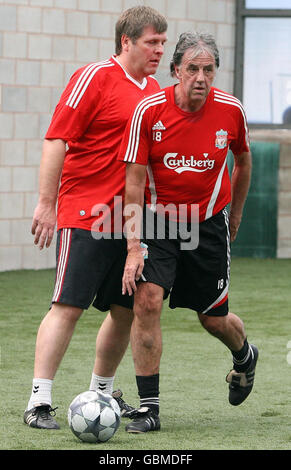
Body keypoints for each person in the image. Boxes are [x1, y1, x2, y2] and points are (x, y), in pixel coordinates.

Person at [23, 6, 168, 430]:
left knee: (124, 308)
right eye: (151, 42)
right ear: (126, 41)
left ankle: (101, 393)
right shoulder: (94, 78)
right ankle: (39, 400)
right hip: (84, 211)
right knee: (68, 305)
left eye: (162, 42)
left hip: (127, 222)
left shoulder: (154, 90)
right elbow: (56, 139)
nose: (159, 50)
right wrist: (47, 203)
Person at [118, 32, 258, 433]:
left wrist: (236, 215)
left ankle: (245, 356)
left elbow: (243, 163)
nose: (200, 76)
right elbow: (132, 181)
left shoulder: (231, 110)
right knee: (147, 301)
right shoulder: (149, 111)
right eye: (192, 68)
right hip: (158, 221)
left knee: (213, 319)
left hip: (209, 224)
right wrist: (132, 246)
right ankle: (149, 409)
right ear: (175, 70)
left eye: (208, 69)